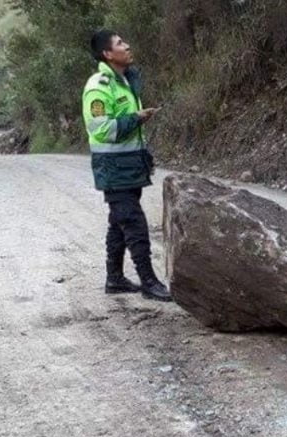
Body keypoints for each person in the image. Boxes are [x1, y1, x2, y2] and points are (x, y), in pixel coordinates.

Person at [82, 30, 171, 301]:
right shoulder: (99, 85)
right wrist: (136, 118)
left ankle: (115, 279)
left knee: (118, 222)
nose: (127, 46)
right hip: (113, 168)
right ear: (108, 54)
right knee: (133, 223)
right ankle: (148, 281)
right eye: (120, 43)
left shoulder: (125, 81)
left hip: (129, 166)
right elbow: (101, 129)